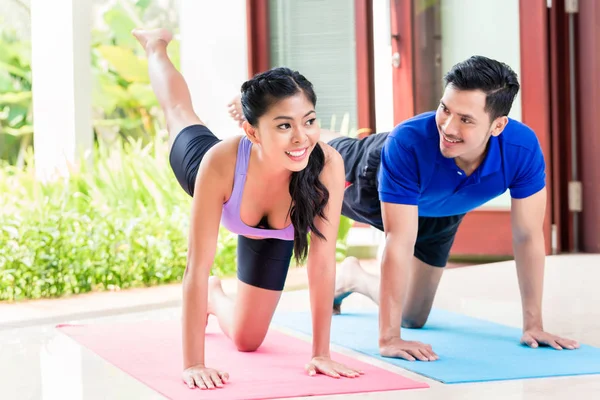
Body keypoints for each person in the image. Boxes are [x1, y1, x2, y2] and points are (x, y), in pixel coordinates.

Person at [228, 55, 580, 363]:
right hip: (370, 175)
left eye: (466, 120)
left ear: (498, 125)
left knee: (413, 316)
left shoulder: (521, 149)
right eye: (445, 109)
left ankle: (353, 277)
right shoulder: (409, 141)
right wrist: (388, 337)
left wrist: (534, 324)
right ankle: (298, 127)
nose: (448, 127)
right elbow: (398, 240)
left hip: (441, 210)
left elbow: (529, 235)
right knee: (319, 157)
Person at [132, 28, 362, 391]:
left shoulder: (326, 165)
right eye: (284, 125)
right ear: (252, 133)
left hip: (270, 233)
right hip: (209, 173)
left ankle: (215, 297)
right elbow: (197, 264)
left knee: (246, 341)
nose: (302, 137)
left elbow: (321, 261)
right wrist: (194, 363)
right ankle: (155, 45)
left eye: (309, 121)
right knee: (178, 112)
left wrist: (320, 353)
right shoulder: (219, 162)